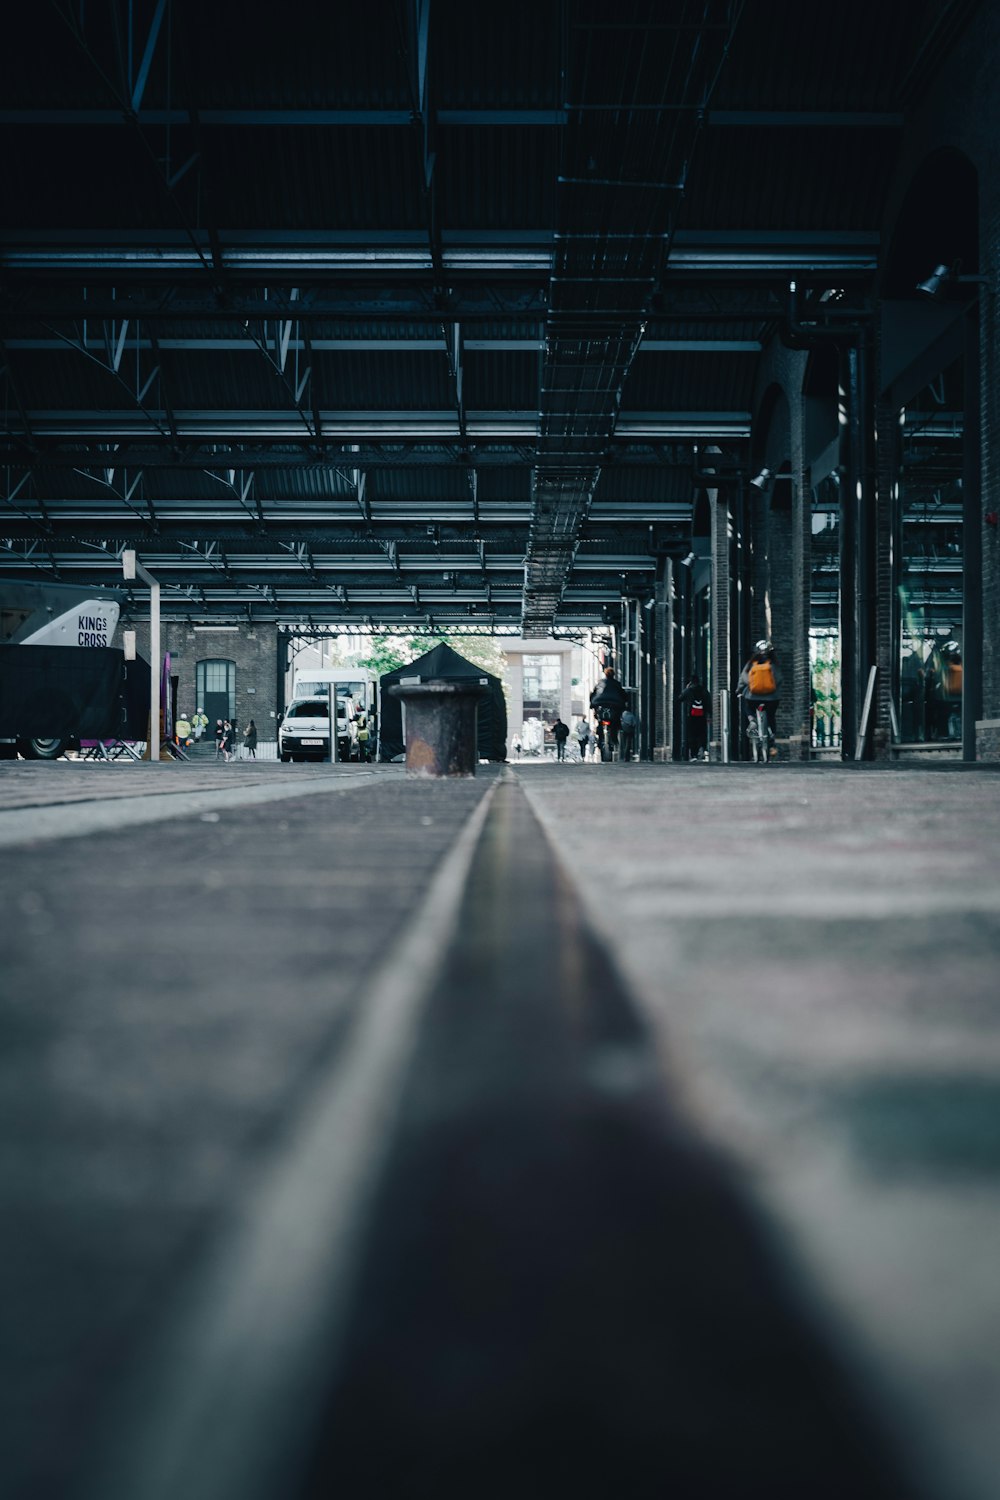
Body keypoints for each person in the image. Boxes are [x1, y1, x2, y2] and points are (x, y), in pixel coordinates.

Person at [737, 640, 782, 758]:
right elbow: (779, 679)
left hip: (753, 696)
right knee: (771, 715)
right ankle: (772, 736)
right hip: (772, 697)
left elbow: (743, 678)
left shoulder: (752, 663)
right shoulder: (774, 663)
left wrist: (740, 689)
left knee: (747, 706)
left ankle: (752, 720)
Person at [590, 666, 627, 755]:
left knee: (599, 720)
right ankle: (614, 740)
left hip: (599, 704)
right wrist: (625, 703)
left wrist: (592, 705)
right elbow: (623, 695)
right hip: (614, 705)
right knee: (615, 722)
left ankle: (600, 737)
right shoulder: (616, 684)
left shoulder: (600, 683)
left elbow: (593, 694)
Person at [678, 674, 711, 761]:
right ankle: (703, 748)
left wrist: (686, 688)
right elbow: (709, 703)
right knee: (702, 733)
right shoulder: (704, 690)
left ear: (691, 682)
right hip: (702, 716)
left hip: (692, 716)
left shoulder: (689, 690)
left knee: (692, 735)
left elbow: (680, 698)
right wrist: (709, 715)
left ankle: (694, 755)